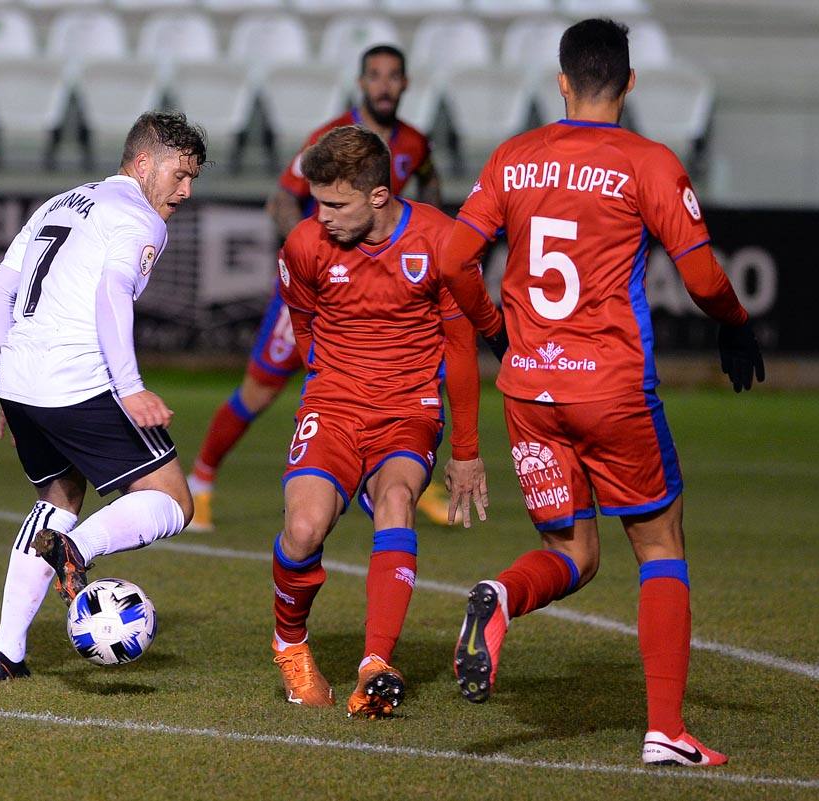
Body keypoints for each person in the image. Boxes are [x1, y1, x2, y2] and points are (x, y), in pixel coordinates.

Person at [440, 18, 764, 766]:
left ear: (560, 82)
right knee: (658, 543)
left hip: (528, 389)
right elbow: (704, 276)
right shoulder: (646, 162)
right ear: (629, 83)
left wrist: (496, 331)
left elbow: (455, 262)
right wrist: (734, 324)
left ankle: (500, 593)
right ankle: (665, 730)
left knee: (572, 550)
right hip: (609, 387)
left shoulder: (513, 157)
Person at [187, 44, 454, 532]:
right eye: (375, 75)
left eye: (393, 76)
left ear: (406, 84)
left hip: (379, 288)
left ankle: (413, 483)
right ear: (361, 83)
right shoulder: (326, 140)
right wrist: (312, 255)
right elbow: (281, 202)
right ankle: (201, 480)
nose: (384, 85)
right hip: (316, 293)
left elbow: (429, 182)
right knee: (260, 392)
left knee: (403, 381)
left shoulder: (413, 143)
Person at [0, 111, 207, 681]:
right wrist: (129, 388)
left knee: (57, 496)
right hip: (78, 381)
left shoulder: (58, 203)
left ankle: (7, 652)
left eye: (194, 178)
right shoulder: (139, 218)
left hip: (22, 381)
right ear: (143, 162)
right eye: (179, 174)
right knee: (174, 501)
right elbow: (111, 293)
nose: (186, 190)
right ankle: (77, 549)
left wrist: (4, 380)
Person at [270, 125, 488, 719]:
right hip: (333, 404)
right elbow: (306, 330)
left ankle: (375, 665)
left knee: (396, 501)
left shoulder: (441, 242)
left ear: (378, 197)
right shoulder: (304, 246)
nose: (323, 216)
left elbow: (462, 353)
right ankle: (289, 644)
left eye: (336, 204)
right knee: (306, 530)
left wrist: (465, 451)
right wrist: (332, 385)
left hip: (408, 408)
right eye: (317, 201)